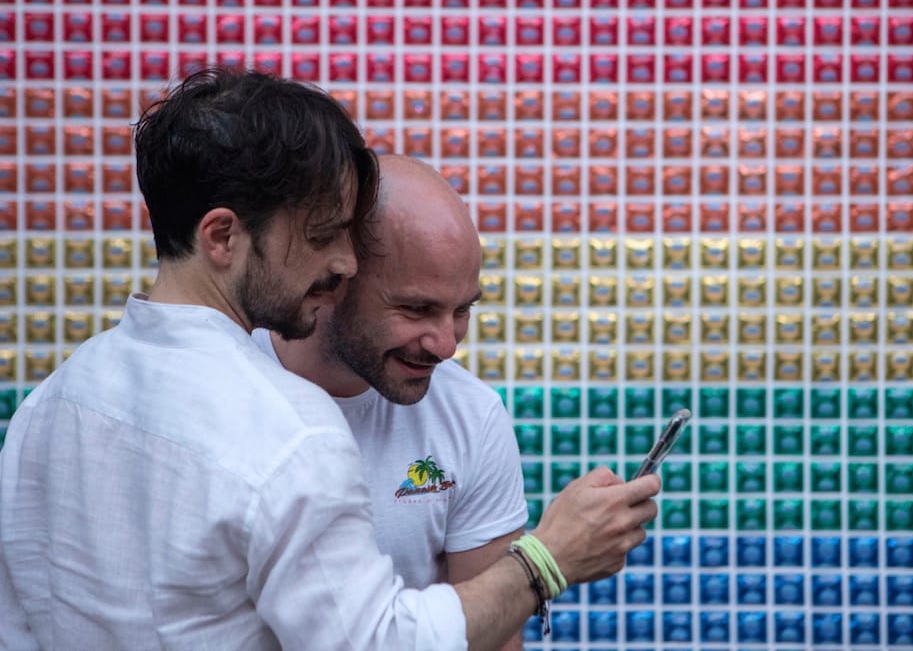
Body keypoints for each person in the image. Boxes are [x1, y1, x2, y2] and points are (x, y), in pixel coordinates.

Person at [0, 67, 660, 650]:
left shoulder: (52, 403)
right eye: (320, 236)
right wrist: (549, 558)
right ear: (224, 236)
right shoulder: (290, 431)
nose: (341, 263)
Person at [255, 155, 526, 648]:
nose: (446, 345)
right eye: (417, 309)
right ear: (335, 278)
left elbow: (494, 638)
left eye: (462, 310)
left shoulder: (472, 416)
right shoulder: (228, 395)